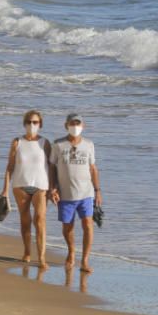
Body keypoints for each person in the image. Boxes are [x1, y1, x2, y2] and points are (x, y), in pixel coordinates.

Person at [49, 113, 101, 273]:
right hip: (66, 194)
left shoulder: (89, 144)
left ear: (83, 126)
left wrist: (98, 190)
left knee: (87, 224)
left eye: (78, 124)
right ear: (66, 126)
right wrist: (53, 187)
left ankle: (85, 260)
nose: (75, 127)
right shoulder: (58, 144)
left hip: (86, 193)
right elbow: (52, 167)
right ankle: (71, 251)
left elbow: (93, 168)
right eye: (72, 124)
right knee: (67, 227)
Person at [2, 110, 52, 267]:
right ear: (24, 124)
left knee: (40, 220)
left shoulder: (45, 143)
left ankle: (42, 258)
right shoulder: (17, 142)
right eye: (29, 122)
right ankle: (27, 252)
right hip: (20, 185)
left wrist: (53, 188)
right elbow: (10, 166)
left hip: (41, 186)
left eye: (35, 122)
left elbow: (51, 167)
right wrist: (5, 190)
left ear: (40, 124)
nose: (32, 125)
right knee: (25, 221)